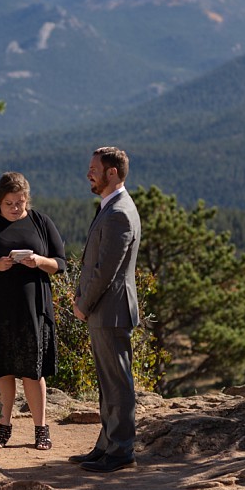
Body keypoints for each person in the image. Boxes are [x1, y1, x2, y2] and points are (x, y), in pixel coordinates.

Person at [0, 172, 67, 451]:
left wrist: (39, 261)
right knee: (1, 369)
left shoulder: (40, 222)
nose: (15, 208)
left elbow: (60, 262)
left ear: (27, 200)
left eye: (20, 202)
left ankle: (41, 428)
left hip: (32, 308)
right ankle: (4, 426)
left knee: (33, 371)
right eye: (9, 203)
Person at [70, 147, 142, 472]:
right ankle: (106, 445)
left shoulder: (120, 213)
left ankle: (121, 451)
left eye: (93, 168)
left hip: (110, 310)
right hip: (104, 309)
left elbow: (106, 271)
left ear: (112, 172)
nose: (89, 174)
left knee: (118, 383)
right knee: (107, 383)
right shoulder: (111, 207)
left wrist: (83, 305)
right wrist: (79, 296)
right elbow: (93, 263)